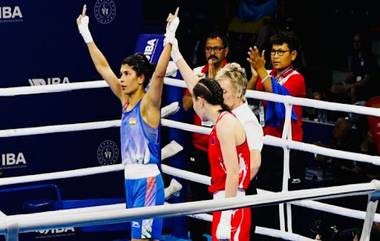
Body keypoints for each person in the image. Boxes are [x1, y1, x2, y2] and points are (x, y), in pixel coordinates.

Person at [76, 5, 178, 241]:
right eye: (121, 74)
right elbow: (103, 68)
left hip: (148, 182)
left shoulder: (148, 104)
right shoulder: (124, 100)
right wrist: (86, 34)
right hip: (130, 181)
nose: (121, 79)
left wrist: (170, 36)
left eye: (127, 74)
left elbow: (160, 75)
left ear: (141, 78)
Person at [166, 16, 251, 241]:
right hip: (225, 199)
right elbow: (193, 82)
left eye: (195, 100)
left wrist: (225, 215)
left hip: (231, 203)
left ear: (202, 101)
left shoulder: (225, 124)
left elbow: (233, 173)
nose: (193, 106)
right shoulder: (220, 118)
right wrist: (173, 43)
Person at [247, 30, 306, 239]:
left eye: (281, 52)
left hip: (290, 147)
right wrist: (255, 74)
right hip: (268, 144)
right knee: (262, 195)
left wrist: (262, 70)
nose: (275, 56)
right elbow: (250, 97)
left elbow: (279, 97)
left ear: (293, 55)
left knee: (288, 200)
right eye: (273, 52)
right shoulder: (268, 74)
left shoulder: (297, 78)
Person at [181, 32, 230, 241]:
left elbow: (230, 105)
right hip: (200, 145)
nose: (212, 53)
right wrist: (201, 86)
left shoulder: (232, 73)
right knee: (199, 195)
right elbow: (185, 105)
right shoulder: (195, 73)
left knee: (222, 195)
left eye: (217, 48)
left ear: (225, 51)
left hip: (223, 147)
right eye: (209, 48)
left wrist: (212, 83)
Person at [215, 62, 263, 240]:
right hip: (227, 190)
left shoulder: (247, 120)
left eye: (224, 92)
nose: (220, 96)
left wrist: (234, 192)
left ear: (238, 92)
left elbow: (255, 162)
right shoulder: (226, 114)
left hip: (240, 193)